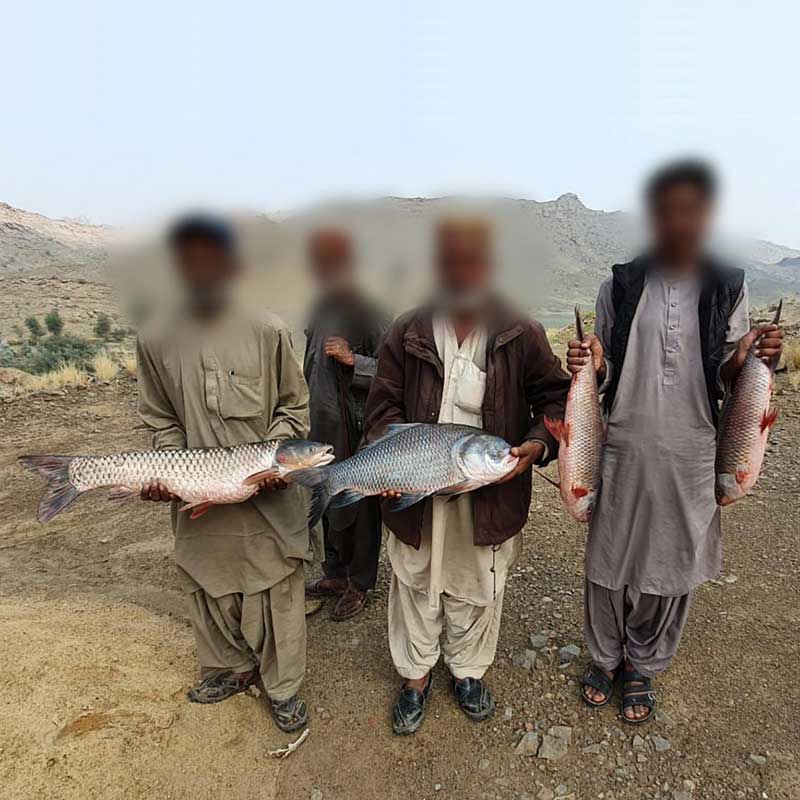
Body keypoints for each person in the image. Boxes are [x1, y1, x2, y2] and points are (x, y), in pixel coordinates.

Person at [570, 161, 784, 723]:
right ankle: (604, 656)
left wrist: (752, 359)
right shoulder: (618, 284)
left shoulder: (727, 286)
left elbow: (730, 373)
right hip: (621, 442)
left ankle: (642, 662)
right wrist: (594, 363)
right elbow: (607, 366)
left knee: (672, 560)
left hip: (693, 445)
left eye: (691, 210)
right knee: (608, 556)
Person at [364, 217, 571, 735]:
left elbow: (554, 397)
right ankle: (414, 678)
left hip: (488, 491)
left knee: (480, 585)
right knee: (414, 582)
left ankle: (467, 672)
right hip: (416, 486)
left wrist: (537, 445)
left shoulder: (520, 331)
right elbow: (382, 407)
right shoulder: (407, 329)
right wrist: (390, 464)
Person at [136, 214, 313, 732]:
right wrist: (167, 469)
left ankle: (281, 690)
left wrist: (278, 460)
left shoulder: (269, 330)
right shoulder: (155, 339)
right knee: (207, 585)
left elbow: (293, 409)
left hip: (268, 500)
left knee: (275, 590)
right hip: (198, 495)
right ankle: (230, 669)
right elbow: (159, 417)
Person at [302, 228, 389, 619]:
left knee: (360, 504)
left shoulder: (371, 310)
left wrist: (355, 361)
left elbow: (394, 372)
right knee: (325, 497)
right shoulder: (319, 308)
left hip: (356, 425)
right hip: (322, 424)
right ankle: (335, 573)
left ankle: (360, 582)